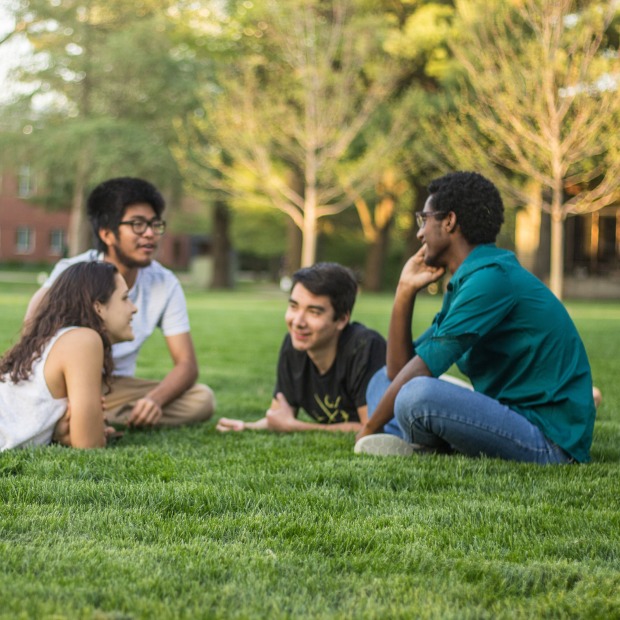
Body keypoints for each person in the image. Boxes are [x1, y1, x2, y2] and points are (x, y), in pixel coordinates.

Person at [355, 171, 596, 464]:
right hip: (508, 417)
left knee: (416, 393)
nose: (419, 233)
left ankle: (415, 439)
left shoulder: (491, 280)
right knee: (381, 381)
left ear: (449, 221)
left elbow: (419, 373)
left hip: (548, 441)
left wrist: (368, 427)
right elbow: (396, 371)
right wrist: (404, 291)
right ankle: (416, 435)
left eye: (424, 220)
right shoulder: (470, 281)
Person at [24, 177, 215, 428]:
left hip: (115, 386)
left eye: (155, 224)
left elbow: (187, 364)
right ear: (107, 233)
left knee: (202, 399)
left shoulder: (165, 283)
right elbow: (30, 338)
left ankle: (82, 420)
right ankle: (79, 416)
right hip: (63, 381)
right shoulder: (72, 272)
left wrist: (154, 401)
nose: (149, 234)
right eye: (137, 224)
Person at [216, 262, 386, 433]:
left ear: (342, 319)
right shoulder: (294, 346)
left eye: (314, 312)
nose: (298, 322)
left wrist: (296, 427)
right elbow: (281, 416)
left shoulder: (365, 347)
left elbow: (371, 428)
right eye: (293, 307)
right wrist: (247, 426)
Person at [1, 262, 136, 450]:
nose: (134, 308)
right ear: (98, 307)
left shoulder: (58, 339)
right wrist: (86, 432)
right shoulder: (84, 340)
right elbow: (89, 444)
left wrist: (66, 431)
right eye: (125, 298)